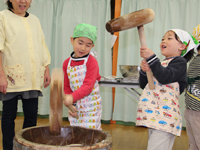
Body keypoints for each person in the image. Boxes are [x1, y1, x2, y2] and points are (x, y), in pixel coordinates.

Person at [0, 0, 51, 149]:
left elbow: (41, 45)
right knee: (9, 116)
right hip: (10, 76)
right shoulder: (3, 17)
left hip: (33, 76)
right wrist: (1, 75)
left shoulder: (35, 20)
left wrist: (46, 68)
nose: (23, 1)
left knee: (31, 116)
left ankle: (28, 147)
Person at [136, 29, 199, 150]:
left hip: (166, 119)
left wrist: (152, 58)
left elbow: (165, 77)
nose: (164, 41)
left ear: (182, 46)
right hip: (154, 117)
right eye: (162, 38)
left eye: (169, 38)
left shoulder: (180, 62)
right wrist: (144, 72)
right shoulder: (161, 64)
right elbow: (144, 85)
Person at [63, 23, 102, 130]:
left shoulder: (92, 62)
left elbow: (88, 86)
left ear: (92, 46)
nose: (83, 48)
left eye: (88, 45)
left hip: (91, 108)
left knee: (91, 135)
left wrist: (72, 97)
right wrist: (71, 104)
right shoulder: (67, 63)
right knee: (76, 134)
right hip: (75, 107)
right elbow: (67, 86)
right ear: (72, 40)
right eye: (80, 43)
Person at [184, 24, 200, 150]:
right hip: (195, 112)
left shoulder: (195, 60)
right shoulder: (197, 61)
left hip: (191, 110)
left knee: (194, 144)